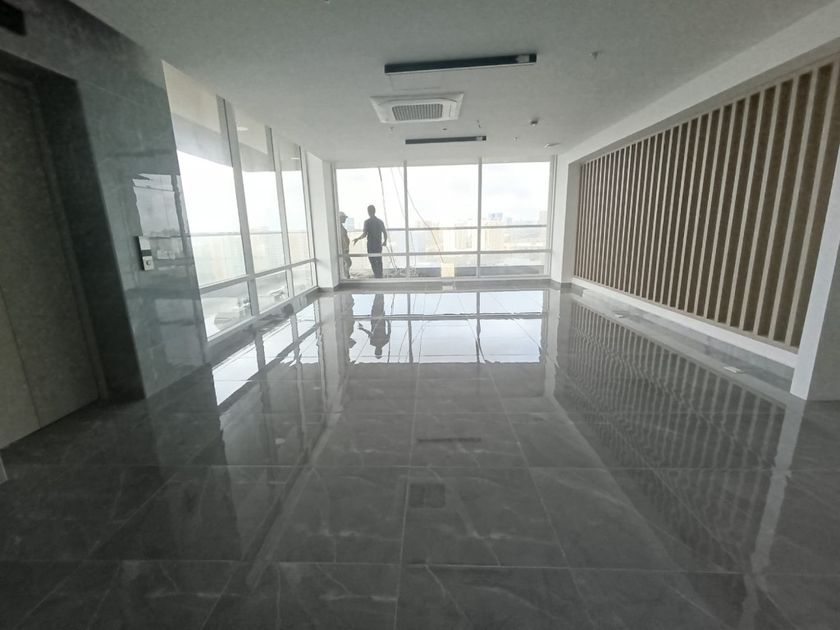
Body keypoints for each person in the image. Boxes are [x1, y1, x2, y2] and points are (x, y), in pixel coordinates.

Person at [353, 204, 387, 278]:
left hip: (371, 245)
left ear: (368, 212)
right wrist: (385, 241)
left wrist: (357, 239)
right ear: (375, 211)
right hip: (378, 245)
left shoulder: (367, 222)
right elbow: (384, 232)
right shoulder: (379, 221)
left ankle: (377, 275)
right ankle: (380, 276)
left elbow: (364, 234)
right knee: (379, 260)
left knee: (372, 261)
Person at [358, 293, 391, 358]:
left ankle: (379, 292)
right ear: (379, 351)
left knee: (377, 303)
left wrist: (387, 321)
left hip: (376, 320)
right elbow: (389, 331)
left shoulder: (376, 342)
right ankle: (379, 291)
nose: (377, 350)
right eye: (378, 351)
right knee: (379, 303)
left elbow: (370, 333)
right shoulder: (379, 342)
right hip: (379, 320)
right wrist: (387, 320)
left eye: (377, 351)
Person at [338, 212, 352, 277]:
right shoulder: (338, 227)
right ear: (340, 218)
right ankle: (346, 276)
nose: (345, 219)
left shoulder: (340, 226)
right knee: (348, 262)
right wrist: (345, 248)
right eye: (344, 218)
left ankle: (346, 275)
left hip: (344, 249)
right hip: (343, 249)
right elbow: (342, 238)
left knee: (347, 262)